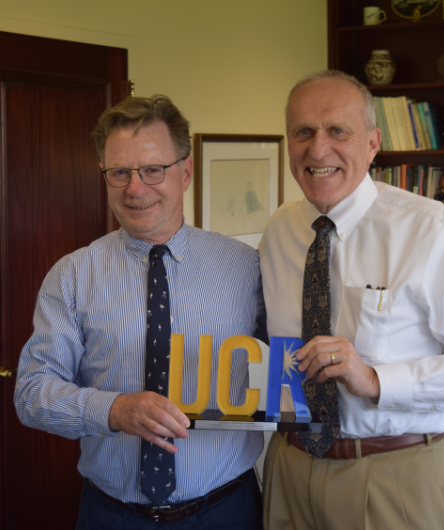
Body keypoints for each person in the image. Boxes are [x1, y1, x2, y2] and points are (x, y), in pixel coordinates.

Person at [258, 70, 444, 530]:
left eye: (338, 130)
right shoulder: (280, 229)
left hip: (391, 475)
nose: (318, 150)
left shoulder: (433, 230)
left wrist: (376, 380)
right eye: (303, 132)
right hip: (288, 467)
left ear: (373, 143)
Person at [14, 94, 267, 530]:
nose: (135, 188)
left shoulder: (248, 267)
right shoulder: (72, 275)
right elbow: (31, 394)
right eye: (119, 172)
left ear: (185, 172)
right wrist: (113, 410)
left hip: (227, 511)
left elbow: (288, 363)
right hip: (112, 515)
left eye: (153, 170)